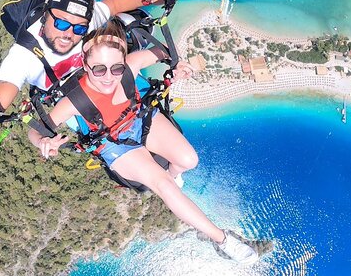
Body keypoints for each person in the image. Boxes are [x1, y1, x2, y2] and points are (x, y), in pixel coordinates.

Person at [28, 19, 259, 265]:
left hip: (139, 118)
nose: (109, 78)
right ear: (86, 65)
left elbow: (161, 52)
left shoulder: (130, 65)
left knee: (189, 160)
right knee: (164, 186)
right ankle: (223, 240)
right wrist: (43, 141)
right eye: (99, 69)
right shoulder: (74, 102)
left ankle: (174, 174)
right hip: (112, 142)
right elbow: (35, 130)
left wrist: (177, 65)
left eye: (116, 68)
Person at [0, 0, 165, 180]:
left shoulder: (81, 19)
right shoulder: (24, 57)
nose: (68, 34)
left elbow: (115, 4)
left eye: (79, 29)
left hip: (98, 79)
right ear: (45, 16)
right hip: (75, 101)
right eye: (61, 24)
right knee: (116, 135)